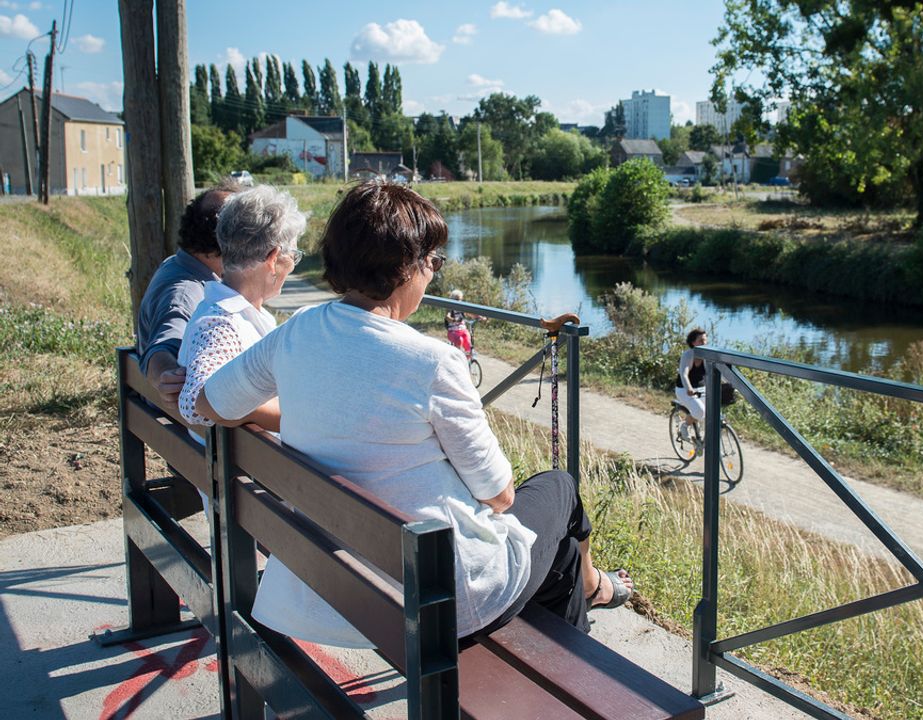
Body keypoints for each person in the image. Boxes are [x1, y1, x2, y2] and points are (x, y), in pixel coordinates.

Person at [194, 180, 631, 647]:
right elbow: (500, 495)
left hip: (327, 586)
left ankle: (589, 588)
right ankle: (591, 592)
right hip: (433, 599)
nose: (432, 275)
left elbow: (209, 403)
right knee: (559, 488)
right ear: (405, 268)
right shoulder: (433, 361)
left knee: (559, 554)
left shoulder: (299, 330)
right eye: (432, 262)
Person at [177, 185, 306, 437]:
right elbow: (196, 401)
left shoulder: (226, 312)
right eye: (294, 256)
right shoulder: (221, 323)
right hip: (248, 473)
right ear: (273, 258)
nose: (292, 266)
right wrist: (297, 420)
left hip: (245, 465)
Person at [134, 182, 240, 412]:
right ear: (227, 239)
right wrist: (166, 375)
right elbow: (163, 347)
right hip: (188, 424)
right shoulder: (187, 292)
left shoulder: (178, 265)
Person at [675, 328, 709, 429]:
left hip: (701, 389)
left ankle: (703, 442)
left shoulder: (708, 355)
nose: (704, 343)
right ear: (693, 343)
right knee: (700, 411)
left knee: (711, 413)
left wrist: (731, 383)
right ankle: (684, 426)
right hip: (684, 390)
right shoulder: (688, 355)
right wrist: (689, 388)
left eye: (705, 340)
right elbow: (684, 374)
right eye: (701, 341)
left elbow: (718, 373)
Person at [445, 289, 473, 356]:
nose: (459, 301)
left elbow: (470, 313)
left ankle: (467, 359)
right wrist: (454, 320)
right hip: (453, 331)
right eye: (457, 299)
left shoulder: (461, 308)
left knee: (468, 341)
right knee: (459, 340)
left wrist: (480, 317)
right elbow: (447, 317)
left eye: (460, 299)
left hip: (463, 330)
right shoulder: (450, 308)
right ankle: (457, 357)